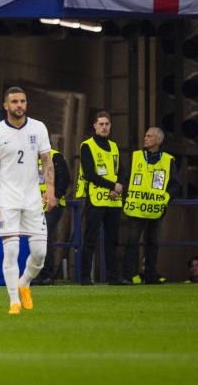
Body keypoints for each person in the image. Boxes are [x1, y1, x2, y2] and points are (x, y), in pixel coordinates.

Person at [0, 87, 56, 314]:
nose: (19, 105)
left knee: (40, 254)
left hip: (33, 199)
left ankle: (24, 283)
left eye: (22, 101)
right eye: (14, 101)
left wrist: (50, 189)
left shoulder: (38, 127)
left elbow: (47, 161)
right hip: (7, 199)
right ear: (5, 105)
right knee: (11, 252)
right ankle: (14, 300)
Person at [121, 127, 178, 285]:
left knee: (153, 243)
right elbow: (125, 180)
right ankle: (128, 275)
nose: (145, 138)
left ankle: (150, 274)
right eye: (145, 136)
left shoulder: (168, 160)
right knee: (132, 243)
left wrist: (165, 198)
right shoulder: (135, 157)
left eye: (149, 136)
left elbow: (174, 185)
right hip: (136, 209)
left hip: (155, 209)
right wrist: (125, 200)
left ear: (158, 140)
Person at [76, 111, 125, 285]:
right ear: (95, 126)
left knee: (113, 239)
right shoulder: (87, 145)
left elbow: (121, 170)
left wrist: (118, 186)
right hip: (96, 198)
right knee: (90, 238)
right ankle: (84, 277)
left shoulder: (114, 146)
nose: (104, 127)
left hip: (113, 199)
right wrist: (113, 185)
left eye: (107, 124)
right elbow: (89, 173)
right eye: (101, 124)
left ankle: (113, 277)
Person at [34, 139, 70, 285]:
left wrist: (55, 197)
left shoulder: (55, 156)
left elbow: (64, 179)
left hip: (52, 206)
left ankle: (47, 275)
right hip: (33, 207)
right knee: (36, 239)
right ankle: (38, 273)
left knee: (44, 236)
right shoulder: (28, 160)